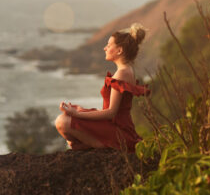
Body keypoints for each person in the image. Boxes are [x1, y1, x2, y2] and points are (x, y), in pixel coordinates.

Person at [53, 23, 150, 152]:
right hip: (115, 126)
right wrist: (81, 111)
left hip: (119, 131)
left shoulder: (121, 74)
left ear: (119, 50)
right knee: (69, 118)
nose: (105, 48)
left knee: (62, 121)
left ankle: (100, 145)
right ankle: (91, 144)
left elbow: (111, 113)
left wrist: (77, 114)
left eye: (109, 45)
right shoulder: (127, 70)